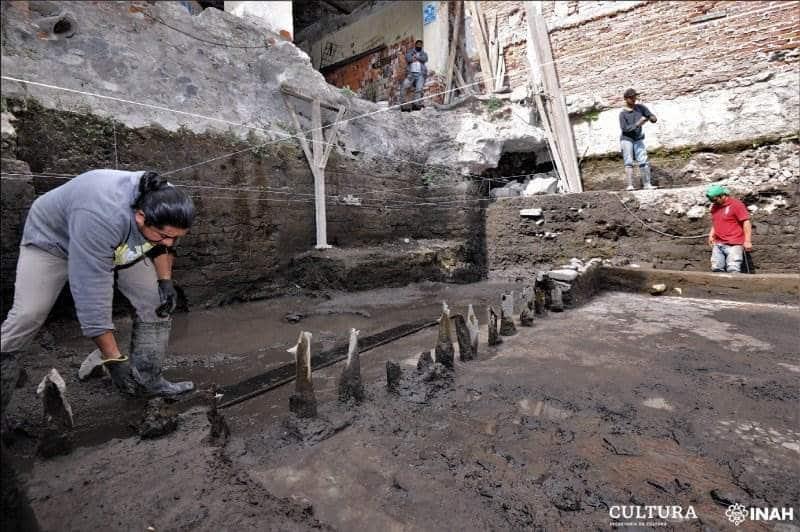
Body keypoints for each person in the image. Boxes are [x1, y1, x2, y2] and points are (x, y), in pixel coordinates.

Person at [0, 170, 196, 413]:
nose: (169, 242)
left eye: (175, 238)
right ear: (140, 216)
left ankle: (150, 382)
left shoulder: (168, 203)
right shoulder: (101, 214)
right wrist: (113, 358)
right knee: (27, 315)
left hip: (124, 240)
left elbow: (163, 245)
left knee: (155, 302)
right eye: (165, 236)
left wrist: (165, 280)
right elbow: (92, 292)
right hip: (54, 241)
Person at [706, 184, 752, 273]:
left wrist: (747, 241)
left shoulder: (736, 205)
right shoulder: (715, 206)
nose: (713, 202)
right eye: (712, 200)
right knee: (716, 268)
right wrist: (711, 234)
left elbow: (746, 222)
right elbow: (716, 221)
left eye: (715, 200)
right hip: (718, 243)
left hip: (734, 243)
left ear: (722, 196)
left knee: (733, 269)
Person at [619, 88, 657, 190]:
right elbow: (625, 129)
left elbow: (651, 116)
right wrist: (638, 124)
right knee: (628, 161)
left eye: (634, 97)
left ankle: (647, 184)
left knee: (643, 160)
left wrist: (652, 118)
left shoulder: (640, 108)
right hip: (626, 139)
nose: (634, 99)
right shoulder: (623, 113)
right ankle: (630, 185)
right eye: (631, 98)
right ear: (626, 99)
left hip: (638, 138)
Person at [400, 39, 428, 110]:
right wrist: (415, 58)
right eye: (418, 44)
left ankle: (416, 105)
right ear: (415, 45)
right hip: (411, 74)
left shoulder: (423, 53)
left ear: (422, 46)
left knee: (419, 89)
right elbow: (408, 58)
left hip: (420, 74)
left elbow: (425, 59)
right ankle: (404, 105)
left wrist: (417, 57)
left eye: (420, 45)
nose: (419, 46)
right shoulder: (410, 52)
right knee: (404, 86)